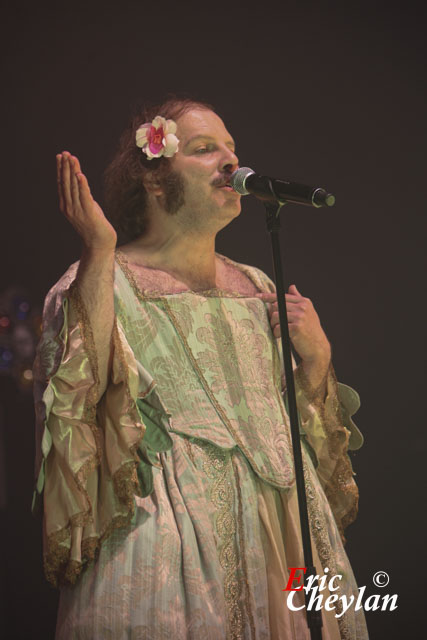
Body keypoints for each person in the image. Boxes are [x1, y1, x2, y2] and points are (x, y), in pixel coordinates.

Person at [32, 97, 368, 639]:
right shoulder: (106, 278)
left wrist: (318, 358)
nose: (231, 162)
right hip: (171, 532)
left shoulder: (258, 285)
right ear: (156, 181)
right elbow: (78, 397)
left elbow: (302, 430)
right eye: (205, 149)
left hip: (282, 533)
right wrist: (98, 249)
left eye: (232, 148)